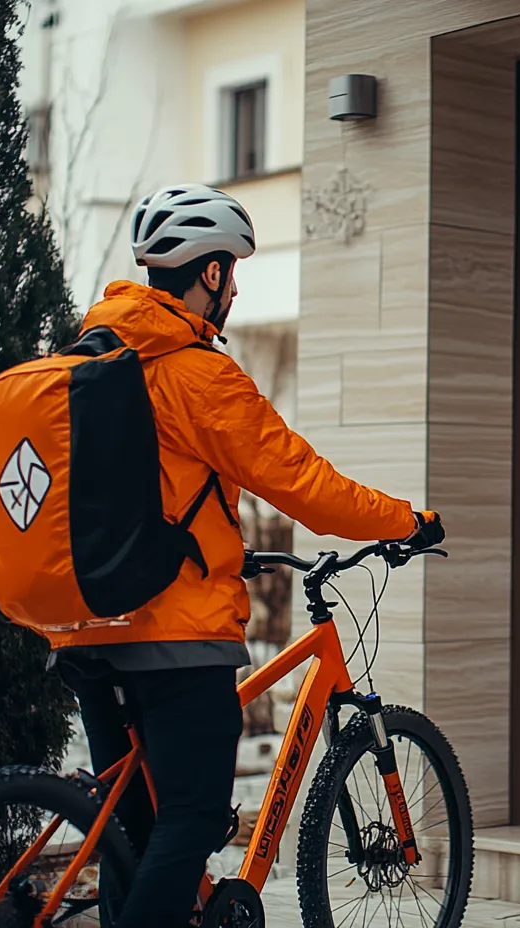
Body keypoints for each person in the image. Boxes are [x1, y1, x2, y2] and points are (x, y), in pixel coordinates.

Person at [48, 183, 444, 928]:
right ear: (211, 275)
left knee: (134, 832)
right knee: (195, 819)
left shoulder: (91, 359)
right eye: (232, 269)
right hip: (171, 636)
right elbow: (304, 484)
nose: (233, 286)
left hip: (86, 626)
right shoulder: (198, 373)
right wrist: (404, 519)